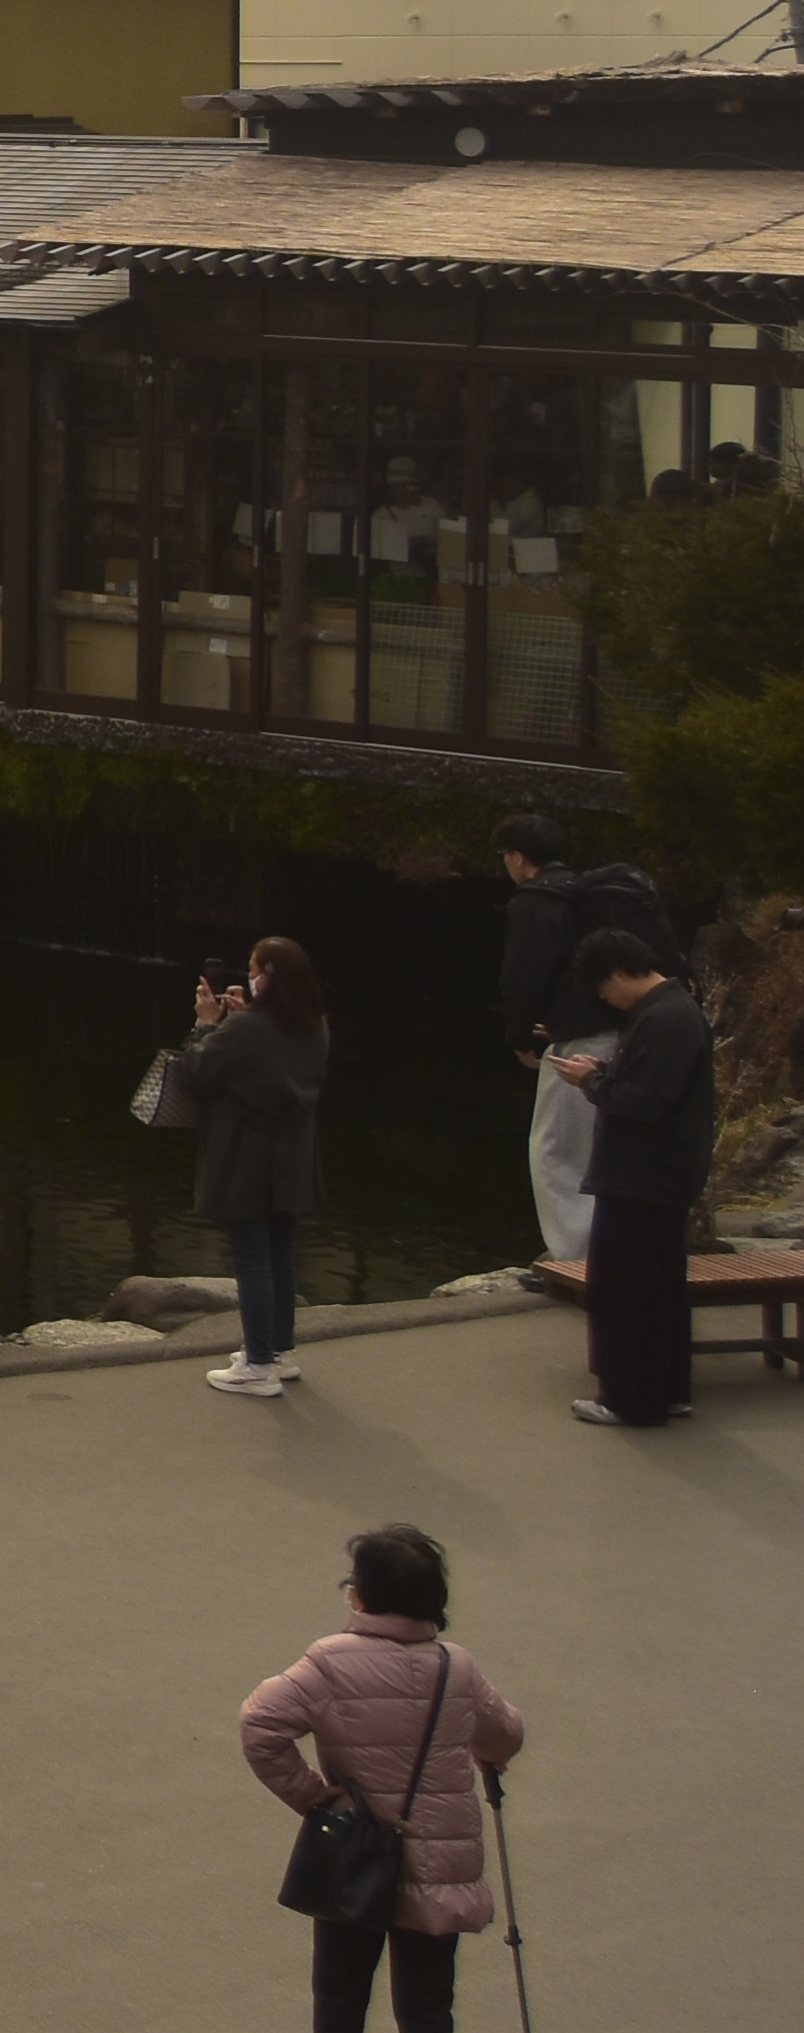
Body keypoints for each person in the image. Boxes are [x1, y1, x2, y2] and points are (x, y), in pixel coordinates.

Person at [238, 1524, 531, 2033]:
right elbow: (505, 1734)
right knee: (427, 2009)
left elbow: (260, 1725)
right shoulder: (457, 1667)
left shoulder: (330, 1662)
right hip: (440, 1865)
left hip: (354, 1851)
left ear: (361, 1595)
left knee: (340, 2000)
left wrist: (313, 1795)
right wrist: (487, 1752)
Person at [547, 925, 715, 1427]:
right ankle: (668, 1390)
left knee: (628, 1290)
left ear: (620, 973)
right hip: (664, 1173)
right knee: (661, 1288)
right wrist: (605, 1070)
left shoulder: (662, 1019)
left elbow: (644, 1103)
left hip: (642, 1175)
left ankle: (630, 1398)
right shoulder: (674, 1011)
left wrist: (591, 1080)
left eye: (603, 989)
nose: (605, 1000)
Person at [491, 817, 672, 1263]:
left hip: (581, 1040)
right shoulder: (588, 893)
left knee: (553, 1146)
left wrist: (519, 1036)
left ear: (518, 857)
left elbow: (523, 975)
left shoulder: (536, 900)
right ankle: (606, 1243)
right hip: (625, 1028)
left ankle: (573, 1255)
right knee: (600, 1143)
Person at [180, 936, 334, 1399]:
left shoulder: (246, 1030)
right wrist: (243, 1017)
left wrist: (206, 1024)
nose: (247, 976)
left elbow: (195, 1073)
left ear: (267, 976)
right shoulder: (316, 1025)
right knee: (280, 1256)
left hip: (247, 1155)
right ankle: (279, 1351)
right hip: (294, 1154)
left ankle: (258, 1365)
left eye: (252, 968)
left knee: (251, 1259)